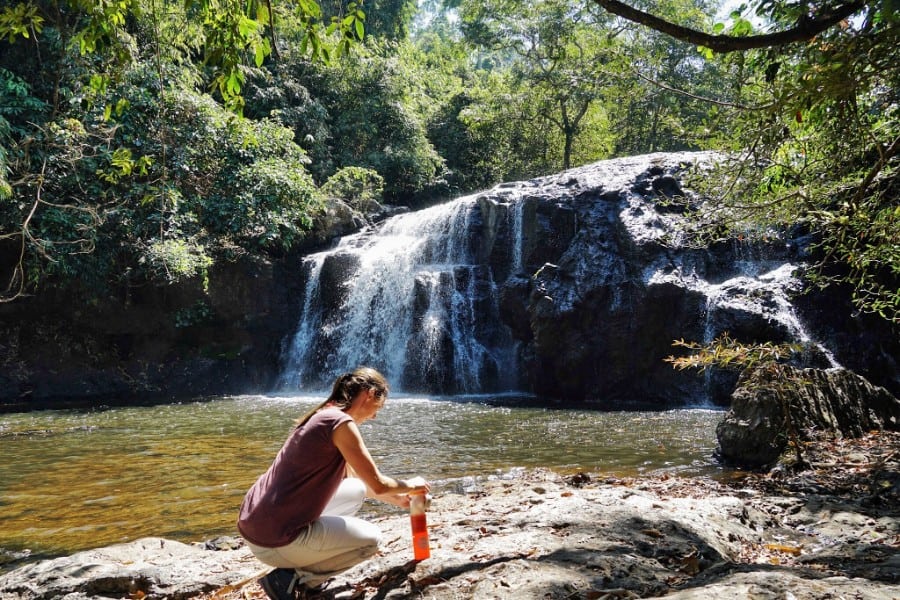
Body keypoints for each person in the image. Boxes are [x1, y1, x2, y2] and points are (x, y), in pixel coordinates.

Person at [238, 367, 431, 600]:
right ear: (369, 394)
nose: (375, 416)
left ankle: (295, 566)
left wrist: (400, 500)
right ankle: (293, 579)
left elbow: (364, 483)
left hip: (257, 526)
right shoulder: (341, 424)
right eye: (378, 407)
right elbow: (379, 483)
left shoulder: (324, 416)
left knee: (356, 489)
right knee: (371, 541)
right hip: (273, 540)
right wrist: (412, 484)